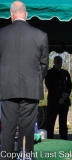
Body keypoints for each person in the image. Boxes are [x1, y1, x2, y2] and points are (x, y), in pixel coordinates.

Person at [0, 1, 49, 159]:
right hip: (31, 89)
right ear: (26, 14)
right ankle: (26, 156)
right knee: (27, 127)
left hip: (7, 88)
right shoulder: (41, 35)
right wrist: (35, 80)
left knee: (7, 127)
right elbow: (44, 64)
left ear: (11, 15)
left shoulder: (1, 33)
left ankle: (6, 157)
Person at [45, 56, 72, 140]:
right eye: (57, 62)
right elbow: (50, 86)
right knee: (51, 121)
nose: (59, 64)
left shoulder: (65, 73)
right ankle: (49, 138)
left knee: (63, 122)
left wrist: (64, 96)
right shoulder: (49, 73)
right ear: (54, 62)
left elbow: (69, 85)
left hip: (64, 102)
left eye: (60, 62)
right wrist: (58, 98)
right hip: (54, 102)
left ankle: (64, 138)